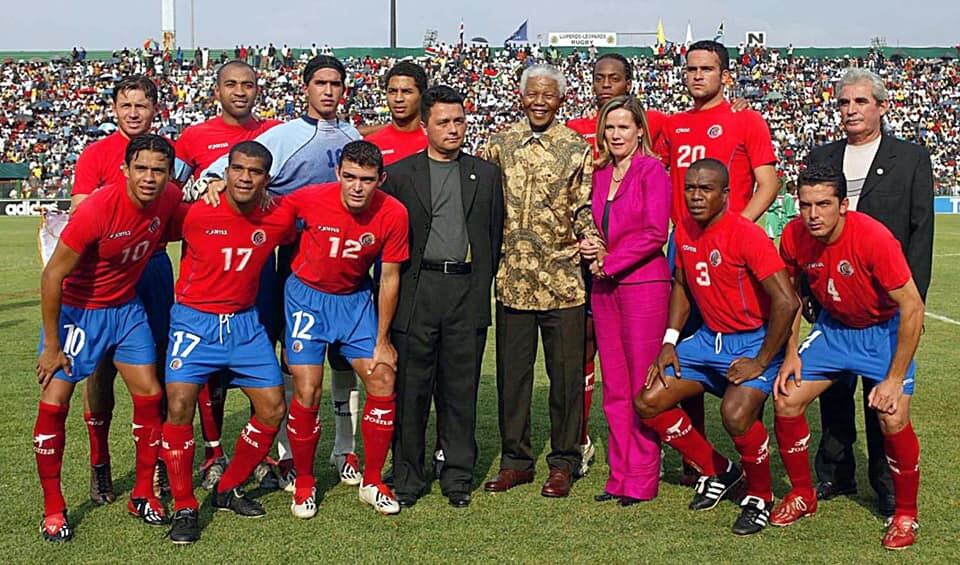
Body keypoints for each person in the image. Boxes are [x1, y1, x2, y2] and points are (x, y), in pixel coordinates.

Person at [202, 55, 365, 490]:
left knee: (343, 357)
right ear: (305, 88)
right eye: (320, 83)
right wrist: (214, 182)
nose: (328, 91)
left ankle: (343, 448)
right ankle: (288, 455)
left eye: (335, 83)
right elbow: (224, 170)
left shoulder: (351, 134)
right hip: (291, 260)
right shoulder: (287, 134)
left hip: (344, 263)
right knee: (295, 358)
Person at [634, 158, 798, 535]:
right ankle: (720, 470)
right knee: (648, 400)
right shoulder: (684, 231)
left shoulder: (746, 234)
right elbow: (681, 286)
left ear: (725, 194)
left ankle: (760, 495)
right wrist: (670, 341)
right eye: (690, 188)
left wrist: (760, 360)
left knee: (736, 414)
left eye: (705, 189)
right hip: (708, 340)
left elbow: (787, 301)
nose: (695, 196)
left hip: (753, 340)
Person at [33, 135, 182, 542]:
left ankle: (142, 493)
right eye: (141, 169)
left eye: (158, 170)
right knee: (54, 402)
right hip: (80, 312)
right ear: (125, 170)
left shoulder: (169, 198)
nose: (149, 178)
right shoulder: (98, 209)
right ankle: (54, 508)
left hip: (126, 310)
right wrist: (51, 345)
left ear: (169, 174)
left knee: (151, 395)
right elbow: (53, 276)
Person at [803, 68, 934, 518]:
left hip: (887, 306)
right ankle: (834, 474)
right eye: (844, 103)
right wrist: (809, 290)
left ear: (881, 106)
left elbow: (921, 233)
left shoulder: (911, 157)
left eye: (860, 102)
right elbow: (807, 232)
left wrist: (912, 301)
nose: (851, 110)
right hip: (834, 303)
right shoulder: (822, 155)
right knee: (833, 395)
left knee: (884, 398)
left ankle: (886, 484)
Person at [772, 164, 924, 550]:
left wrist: (893, 378)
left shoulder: (873, 237)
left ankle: (906, 514)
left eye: (823, 204)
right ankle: (803, 494)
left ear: (843, 205)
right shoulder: (792, 235)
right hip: (834, 330)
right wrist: (790, 353)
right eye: (805, 204)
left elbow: (913, 307)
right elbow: (788, 298)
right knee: (787, 399)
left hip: (881, 332)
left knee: (892, 416)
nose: (813, 214)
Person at [160, 142, 295, 544]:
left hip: (244, 324)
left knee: (272, 409)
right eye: (237, 169)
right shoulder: (196, 212)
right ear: (227, 171)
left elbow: (303, 219)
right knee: (180, 406)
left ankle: (226, 487)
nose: (244, 177)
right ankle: (185, 506)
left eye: (254, 171)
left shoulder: (278, 215)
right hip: (193, 323)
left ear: (265, 179)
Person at [663, 40, 780, 484]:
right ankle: (700, 463)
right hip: (684, 246)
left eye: (707, 69)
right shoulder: (673, 127)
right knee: (682, 355)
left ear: (724, 75)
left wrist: (734, 231)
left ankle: (756, 466)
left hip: (733, 250)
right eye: (691, 68)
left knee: (748, 342)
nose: (697, 76)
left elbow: (767, 182)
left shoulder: (746, 120)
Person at [383, 85, 504, 508]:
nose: (454, 129)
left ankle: (457, 477)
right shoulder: (400, 176)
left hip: (466, 291)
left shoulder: (486, 174)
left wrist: (479, 286)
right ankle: (408, 477)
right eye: (444, 122)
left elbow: (493, 234)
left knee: (460, 389)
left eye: (459, 121)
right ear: (424, 126)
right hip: (418, 292)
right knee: (411, 389)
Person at [481, 64, 595, 498]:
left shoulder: (576, 147)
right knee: (513, 377)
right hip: (513, 280)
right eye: (534, 93)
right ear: (521, 96)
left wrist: (594, 244)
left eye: (549, 94)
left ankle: (564, 461)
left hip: (563, 281)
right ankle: (516, 460)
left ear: (560, 99)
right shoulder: (499, 145)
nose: (541, 100)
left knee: (565, 378)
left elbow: (583, 207)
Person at [280, 140, 409, 517]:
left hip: (354, 302)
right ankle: (304, 482)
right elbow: (262, 213)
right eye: (349, 177)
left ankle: (372, 482)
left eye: (366, 180)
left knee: (383, 377)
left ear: (380, 179)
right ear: (337, 173)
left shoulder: (393, 213)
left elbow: (388, 278)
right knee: (306, 388)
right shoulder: (307, 199)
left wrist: (383, 340)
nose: (356, 186)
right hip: (306, 299)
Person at [68, 76, 179, 505]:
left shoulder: (168, 155)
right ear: (115, 109)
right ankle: (100, 464)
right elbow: (82, 210)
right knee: (99, 370)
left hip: (151, 269)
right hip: (104, 271)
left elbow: (177, 206)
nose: (134, 112)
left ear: (155, 110)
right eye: (126, 105)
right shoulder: (96, 154)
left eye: (141, 105)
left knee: (156, 371)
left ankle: (159, 467)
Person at [173, 60, 282, 489]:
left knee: (260, 358)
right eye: (231, 84)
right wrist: (205, 186)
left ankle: (258, 455)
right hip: (207, 272)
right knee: (208, 374)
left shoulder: (275, 131)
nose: (240, 91)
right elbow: (173, 191)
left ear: (259, 89)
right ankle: (212, 452)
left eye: (248, 84)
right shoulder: (194, 138)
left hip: (257, 268)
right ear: (216, 89)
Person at [565, 53, 668, 476]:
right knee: (616, 386)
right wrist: (591, 244)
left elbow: (654, 233)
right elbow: (595, 222)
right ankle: (622, 468)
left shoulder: (652, 170)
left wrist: (609, 261)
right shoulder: (603, 174)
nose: (616, 133)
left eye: (624, 126)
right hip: (605, 287)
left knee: (642, 381)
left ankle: (646, 466)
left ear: (639, 130)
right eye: (609, 127)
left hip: (642, 283)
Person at [364, 62, 429, 165]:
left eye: (407, 92)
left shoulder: (436, 141)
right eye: (392, 91)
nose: (398, 99)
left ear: (422, 94)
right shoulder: (371, 145)